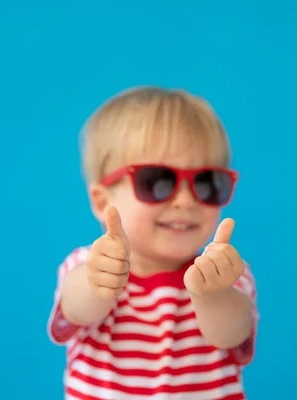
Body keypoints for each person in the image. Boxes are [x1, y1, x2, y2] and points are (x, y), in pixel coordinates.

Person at [47, 86, 259, 400]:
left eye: (206, 182)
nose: (185, 201)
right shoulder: (86, 265)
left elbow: (231, 333)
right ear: (101, 200)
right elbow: (77, 308)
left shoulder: (226, 274)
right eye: (157, 181)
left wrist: (213, 295)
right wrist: (97, 282)